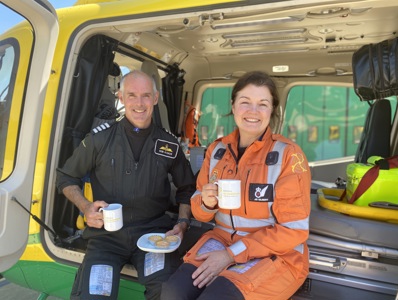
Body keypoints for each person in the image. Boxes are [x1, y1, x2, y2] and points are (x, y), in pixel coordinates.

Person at [161, 71, 311, 300]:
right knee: (173, 293)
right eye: (245, 102)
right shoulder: (217, 150)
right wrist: (207, 203)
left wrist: (231, 255)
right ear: (233, 106)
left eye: (262, 104)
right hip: (221, 241)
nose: (253, 111)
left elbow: (294, 231)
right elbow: (200, 213)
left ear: (272, 111)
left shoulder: (289, 156)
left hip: (277, 253)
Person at [56, 70, 195, 300]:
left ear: (156, 98)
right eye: (132, 95)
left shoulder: (168, 144)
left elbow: (187, 188)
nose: (139, 103)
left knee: (168, 293)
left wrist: (182, 223)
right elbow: (66, 177)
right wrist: (85, 206)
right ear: (120, 97)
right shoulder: (99, 139)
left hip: (153, 237)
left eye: (146, 96)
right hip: (106, 239)